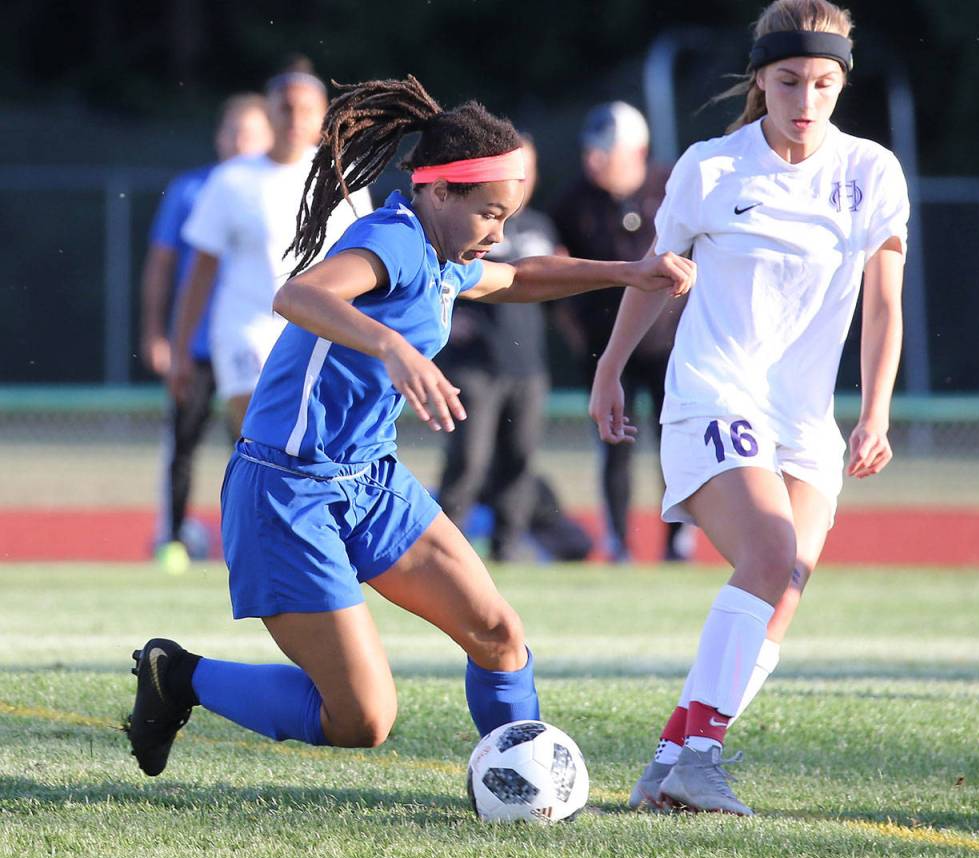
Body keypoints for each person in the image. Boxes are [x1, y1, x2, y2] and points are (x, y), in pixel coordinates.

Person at [123, 76, 692, 777]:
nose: (499, 232)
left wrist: (629, 271)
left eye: (506, 215)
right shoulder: (394, 239)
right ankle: (177, 677)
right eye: (489, 213)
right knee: (363, 719)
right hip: (287, 494)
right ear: (438, 192)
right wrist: (391, 348)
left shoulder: (448, 255)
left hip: (370, 479)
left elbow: (518, 278)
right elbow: (297, 294)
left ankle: (525, 781)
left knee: (498, 636)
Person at [590, 0, 908, 815]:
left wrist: (873, 412)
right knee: (769, 551)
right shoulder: (711, 168)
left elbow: (882, 306)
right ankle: (702, 757)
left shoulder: (871, 171)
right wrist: (611, 368)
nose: (806, 99)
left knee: (785, 583)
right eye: (790, 80)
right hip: (714, 393)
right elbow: (654, 273)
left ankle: (668, 761)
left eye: (824, 83)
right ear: (761, 80)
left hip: (805, 420)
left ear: (842, 84)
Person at [170, 58, 372, 439]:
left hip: (322, 326)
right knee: (254, 435)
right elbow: (200, 271)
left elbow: (366, 259)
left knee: (312, 440)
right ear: (269, 113)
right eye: (286, 107)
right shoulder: (232, 179)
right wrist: (180, 350)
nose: (295, 118)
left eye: (306, 109)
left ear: (323, 115)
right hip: (247, 328)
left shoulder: (344, 177)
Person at [552, 102, 692, 563]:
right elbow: (558, 274)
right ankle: (618, 543)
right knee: (615, 446)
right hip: (606, 346)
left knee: (675, 443)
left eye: (605, 152)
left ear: (638, 151)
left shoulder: (672, 187)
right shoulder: (573, 203)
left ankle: (679, 541)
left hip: (670, 344)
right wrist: (576, 333)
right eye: (591, 151)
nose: (594, 161)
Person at [139, 94, 273, 569]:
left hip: (258, 342)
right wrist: (157, 332)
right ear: (218, 136)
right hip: (197, 344)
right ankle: (172, 536)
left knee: (257, 445)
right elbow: (163, 262)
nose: (241, 141)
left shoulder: (277, 188)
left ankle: (256, 538)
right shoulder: (191, 189)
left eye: (251, 132)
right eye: (232, 131)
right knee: (183, 443)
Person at [435, 136, 573, 562]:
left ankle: (507, 548)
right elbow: (437, 276)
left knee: (519, 461)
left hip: (527, 367)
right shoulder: (469, 224)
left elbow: (550, 293)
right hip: (475, 366)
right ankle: (448, 550)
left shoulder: (539, 227)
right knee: (469, 463)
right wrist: (449, 316)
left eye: (527, 171)